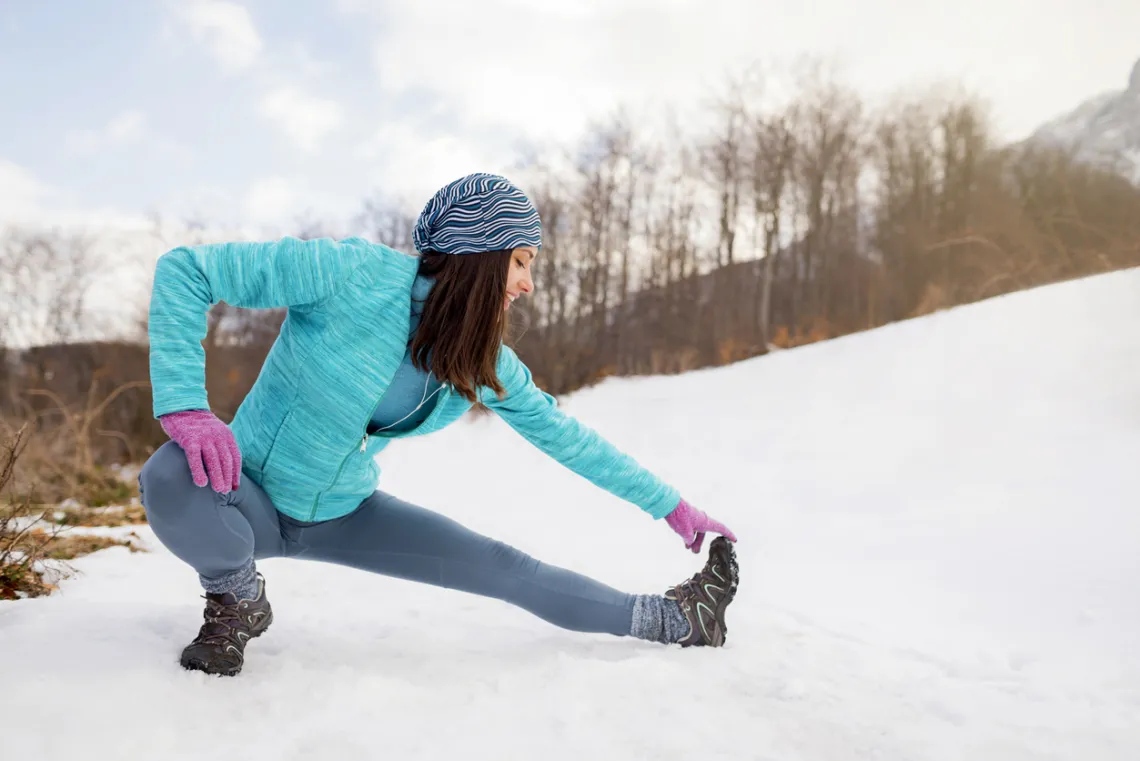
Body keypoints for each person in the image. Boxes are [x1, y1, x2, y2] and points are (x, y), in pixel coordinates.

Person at [138, 172, 739, 677]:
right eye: (521, 261)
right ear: (479, 254)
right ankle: (235, 600)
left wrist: (670, 505)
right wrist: (187, 405)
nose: (528, 283)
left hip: (346, 515)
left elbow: (567, 437)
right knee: (169, 472)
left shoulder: (481, 361)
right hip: (246, 498)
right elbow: (187, 271)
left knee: (509, 570)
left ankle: (678, 621)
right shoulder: (348, 274)